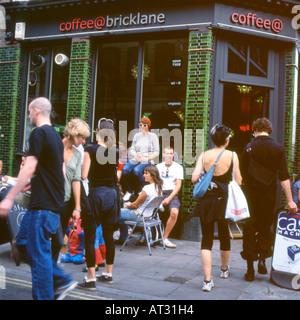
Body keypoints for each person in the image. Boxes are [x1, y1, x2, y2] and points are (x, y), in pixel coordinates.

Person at [0, 97, 77, 300]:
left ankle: (59, 282)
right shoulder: (55, 136)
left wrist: (10, 197)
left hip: (42, 207)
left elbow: (30, 166)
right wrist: (31, 183)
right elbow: (58, 171)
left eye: (28, 111)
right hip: (49, 205)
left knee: (40, 255)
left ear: (35, 111)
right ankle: (58, 282)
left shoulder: (38, 133)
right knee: (22, 244)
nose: (27, 116)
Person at [240, 118, 297, 282]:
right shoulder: (278, 148)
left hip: (249, 197)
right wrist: (290, 201)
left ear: (255, 129)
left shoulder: (248, 147)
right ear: (269, 130)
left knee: (249, 230)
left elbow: (242, 176)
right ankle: (262, 259)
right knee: (265, 228)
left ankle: (250, 271)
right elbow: (284, 177)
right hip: (269, 197)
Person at [191, 124, 242, 292]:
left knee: (206, 238)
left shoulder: (204, 155)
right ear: (226, 140)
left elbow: (193, 178)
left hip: (207, 201)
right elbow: (239, 181)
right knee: (223, 234)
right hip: (224, 201)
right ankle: (224, 270)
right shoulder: (233, 155)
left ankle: (207, 280)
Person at [78, 118, 119, 291]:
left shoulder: (90, 149)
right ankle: (108, 274)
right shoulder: (114, 151)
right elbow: (114, 177)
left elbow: (84, 176)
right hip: (111, 195)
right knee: (109, 235)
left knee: (90, 235)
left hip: (95, 194)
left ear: (97, 131)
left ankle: (91, 278)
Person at [118, 164, 163, 243]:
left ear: (153, 175)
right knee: (121, 217)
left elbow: (135, 205)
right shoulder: (159, 187)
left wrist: (128, 205)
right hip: (148, 216)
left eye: (146, 173)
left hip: (138, 215)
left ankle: (105, 240)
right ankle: (123, 238)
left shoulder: (147, 188)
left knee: (113, 213)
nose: (143, 175)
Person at [61, 118, 90, 231]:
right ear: (74, 134)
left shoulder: (78, 154)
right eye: (82, 138)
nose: (83, 141)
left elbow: (77, 180)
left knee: (58, 240)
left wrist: (78, 207)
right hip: (50, 200)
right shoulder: (55, 147)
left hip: (65, 202)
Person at [122, 117, 159, 200]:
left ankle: (140, 191)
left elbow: (157, 152)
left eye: (144, 125)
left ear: (148, 126)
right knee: (125, 170)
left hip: (147, 159)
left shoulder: (153, 136)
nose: (142, 127)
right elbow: (132, 148)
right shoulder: (137, 136)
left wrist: (147, 158)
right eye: (140, 125)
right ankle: (129, 190)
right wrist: (135, 155)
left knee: (137, 170)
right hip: (137, 158)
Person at [156, 146, 183, 249]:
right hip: (159, 192)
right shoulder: (158, 167)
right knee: (148, 211)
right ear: (163, 155)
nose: (169, 156)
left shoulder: (178, 167)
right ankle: (146, 235)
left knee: (174, 212)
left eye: (171, 153)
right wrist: (159, 196)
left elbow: (178, 186)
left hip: (172, 194)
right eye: (167, 153)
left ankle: (164, 238)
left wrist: (169, 198)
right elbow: (155, 183)